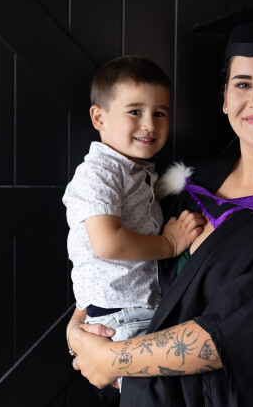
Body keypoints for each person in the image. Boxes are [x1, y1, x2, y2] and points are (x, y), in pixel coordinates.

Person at [68, 7, 253, 406]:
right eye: (242, 84)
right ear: (225, 100)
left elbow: (231, 334)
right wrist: (79, 327)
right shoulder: (189, 185)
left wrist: (110, 359)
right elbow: (117, 265)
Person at [63, 55, 205, 390]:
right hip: (122, 314)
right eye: (135, 112)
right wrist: (170, 244)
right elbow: (108, 243)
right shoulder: (98, 173)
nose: (150, 125)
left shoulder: (137, 172)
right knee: (156, 394)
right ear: (99, 117)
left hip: (134, 308)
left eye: (160, 113)